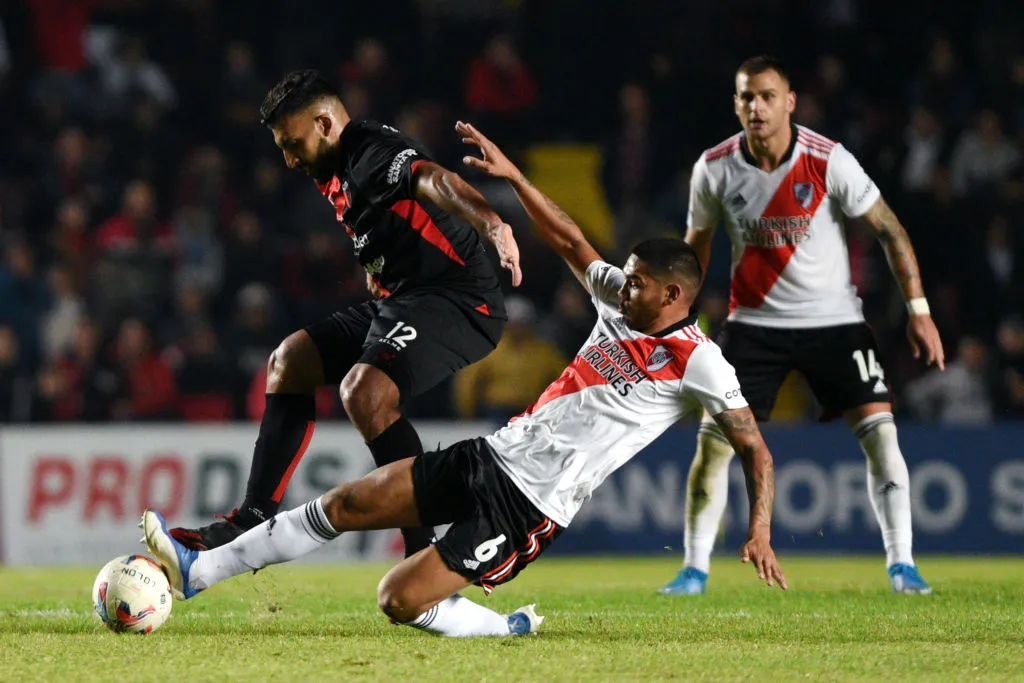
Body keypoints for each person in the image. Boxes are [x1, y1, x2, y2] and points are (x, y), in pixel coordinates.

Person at [140, 122, 787, 639]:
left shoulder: (700, 361)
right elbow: (568, 238)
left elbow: (755, 447)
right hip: (492, 456)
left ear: (674, 294)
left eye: (639, 279)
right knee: (345, 505)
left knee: (396, 598)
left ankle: (502, 629)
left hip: (530, 504)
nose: (625, 281)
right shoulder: (619, 301)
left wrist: (758, 527)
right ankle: (200, 569)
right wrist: (514, 180)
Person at [169, 70, 522, 561]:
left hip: (461, 300)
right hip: (402, 299)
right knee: (288, 361)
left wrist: (492, 222)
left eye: (293, 144)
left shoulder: (369, 149)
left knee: (364, 392)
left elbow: (432, 178)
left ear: (325, 121)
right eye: (282, 149)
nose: (289, 159)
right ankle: (252, 517)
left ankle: (423, 551)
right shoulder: (329, 164)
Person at [659, 56, 945, 597]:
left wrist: (920, 310)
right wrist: (684, 330)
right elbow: (692, 259)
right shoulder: (714, 168)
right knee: (715, 445)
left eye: (767, 96)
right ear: (736, 103)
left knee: (883, 438)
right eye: (746, 97)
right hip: (752, 328)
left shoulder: (828, 160)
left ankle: (903, 566)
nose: (756, 107)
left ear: (790, 101)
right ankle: (693, 570)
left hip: (835, 323)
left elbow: (890, 229)